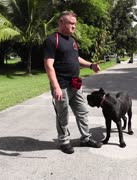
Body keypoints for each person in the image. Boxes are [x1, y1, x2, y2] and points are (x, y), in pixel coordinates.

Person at [43, 11, 102, 154]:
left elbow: (76, 58)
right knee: (62, 114)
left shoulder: (72, 41)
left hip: (75, 83)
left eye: (75, 24)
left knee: (82, 111)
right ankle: (63, 141)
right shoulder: (52, 40)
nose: (74, 26)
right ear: (61, 22)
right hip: (61, 85)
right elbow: (48, 65)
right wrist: (56, 87)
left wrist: (90, 65)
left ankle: (85, 138)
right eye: (71, 23)